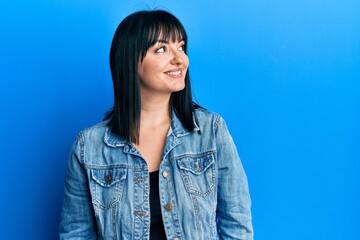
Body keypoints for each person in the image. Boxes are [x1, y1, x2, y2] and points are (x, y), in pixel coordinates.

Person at [59, 10, 253, 240]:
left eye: (181, 47)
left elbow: (237, 225)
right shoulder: (89, 147)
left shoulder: (211, 130)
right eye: (161, 49)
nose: (180, 59)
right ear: (131, 60)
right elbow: (76, 234)